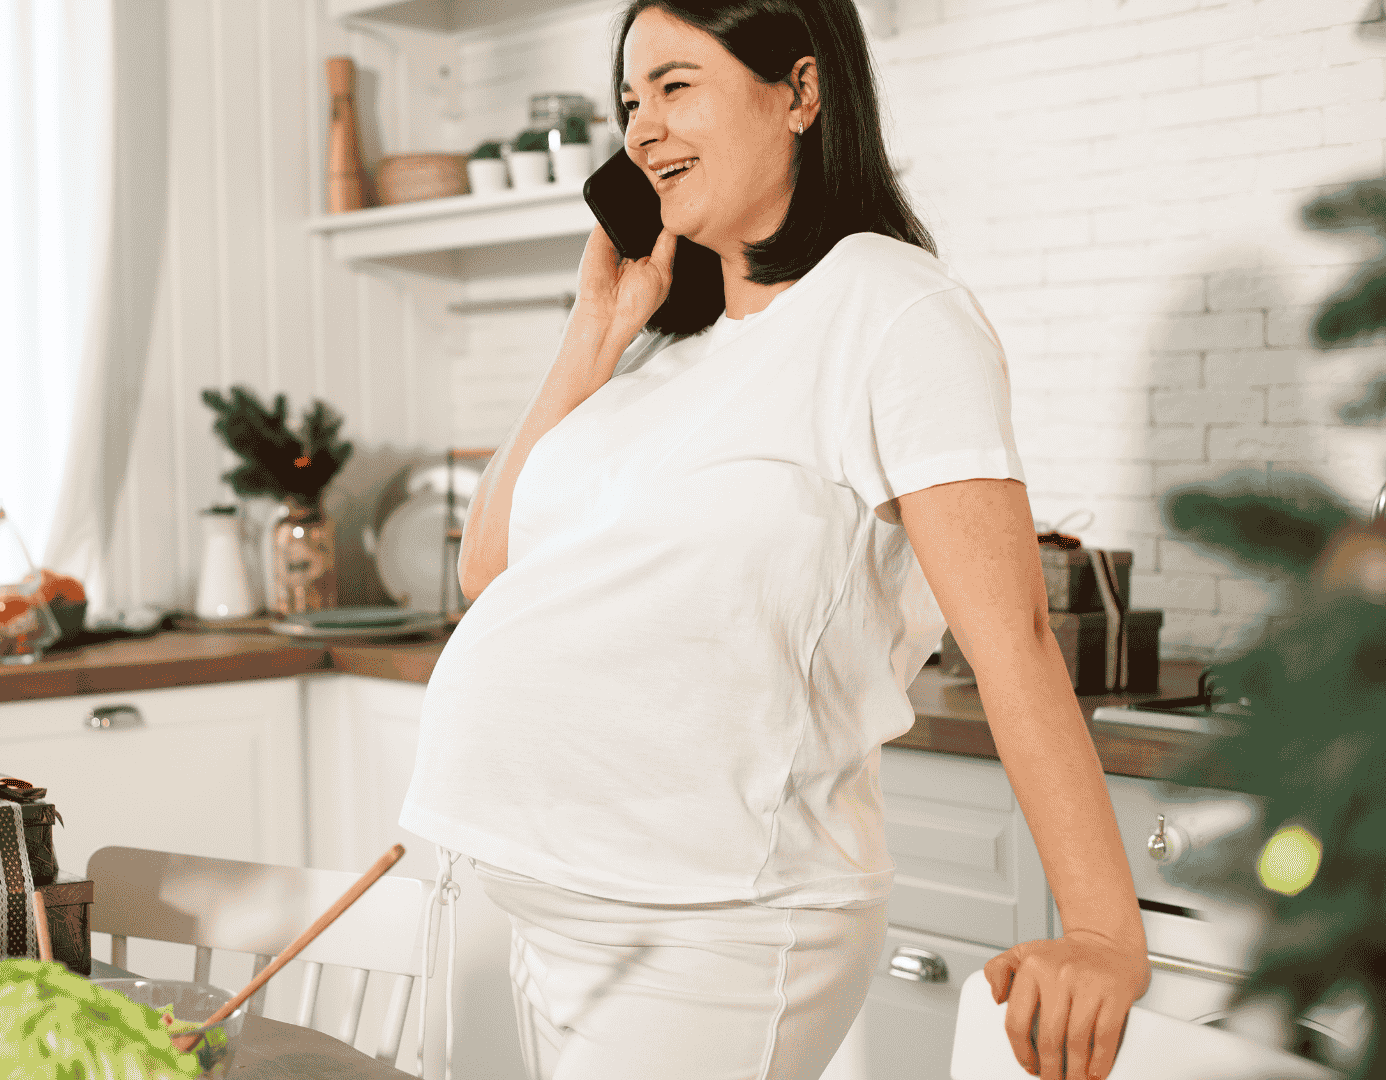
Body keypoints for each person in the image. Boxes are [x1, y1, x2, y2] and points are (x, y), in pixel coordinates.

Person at [398, 2, 1152, 1078]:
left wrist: (1101, 934)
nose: (642, 129)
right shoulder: (666, 343)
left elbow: (1014, 638)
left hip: (712, 921)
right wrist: (595, 330)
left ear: (800, 93)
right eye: (628, 101)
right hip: (551, 902)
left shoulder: (891, 309)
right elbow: (490, 570)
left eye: (675, 86)